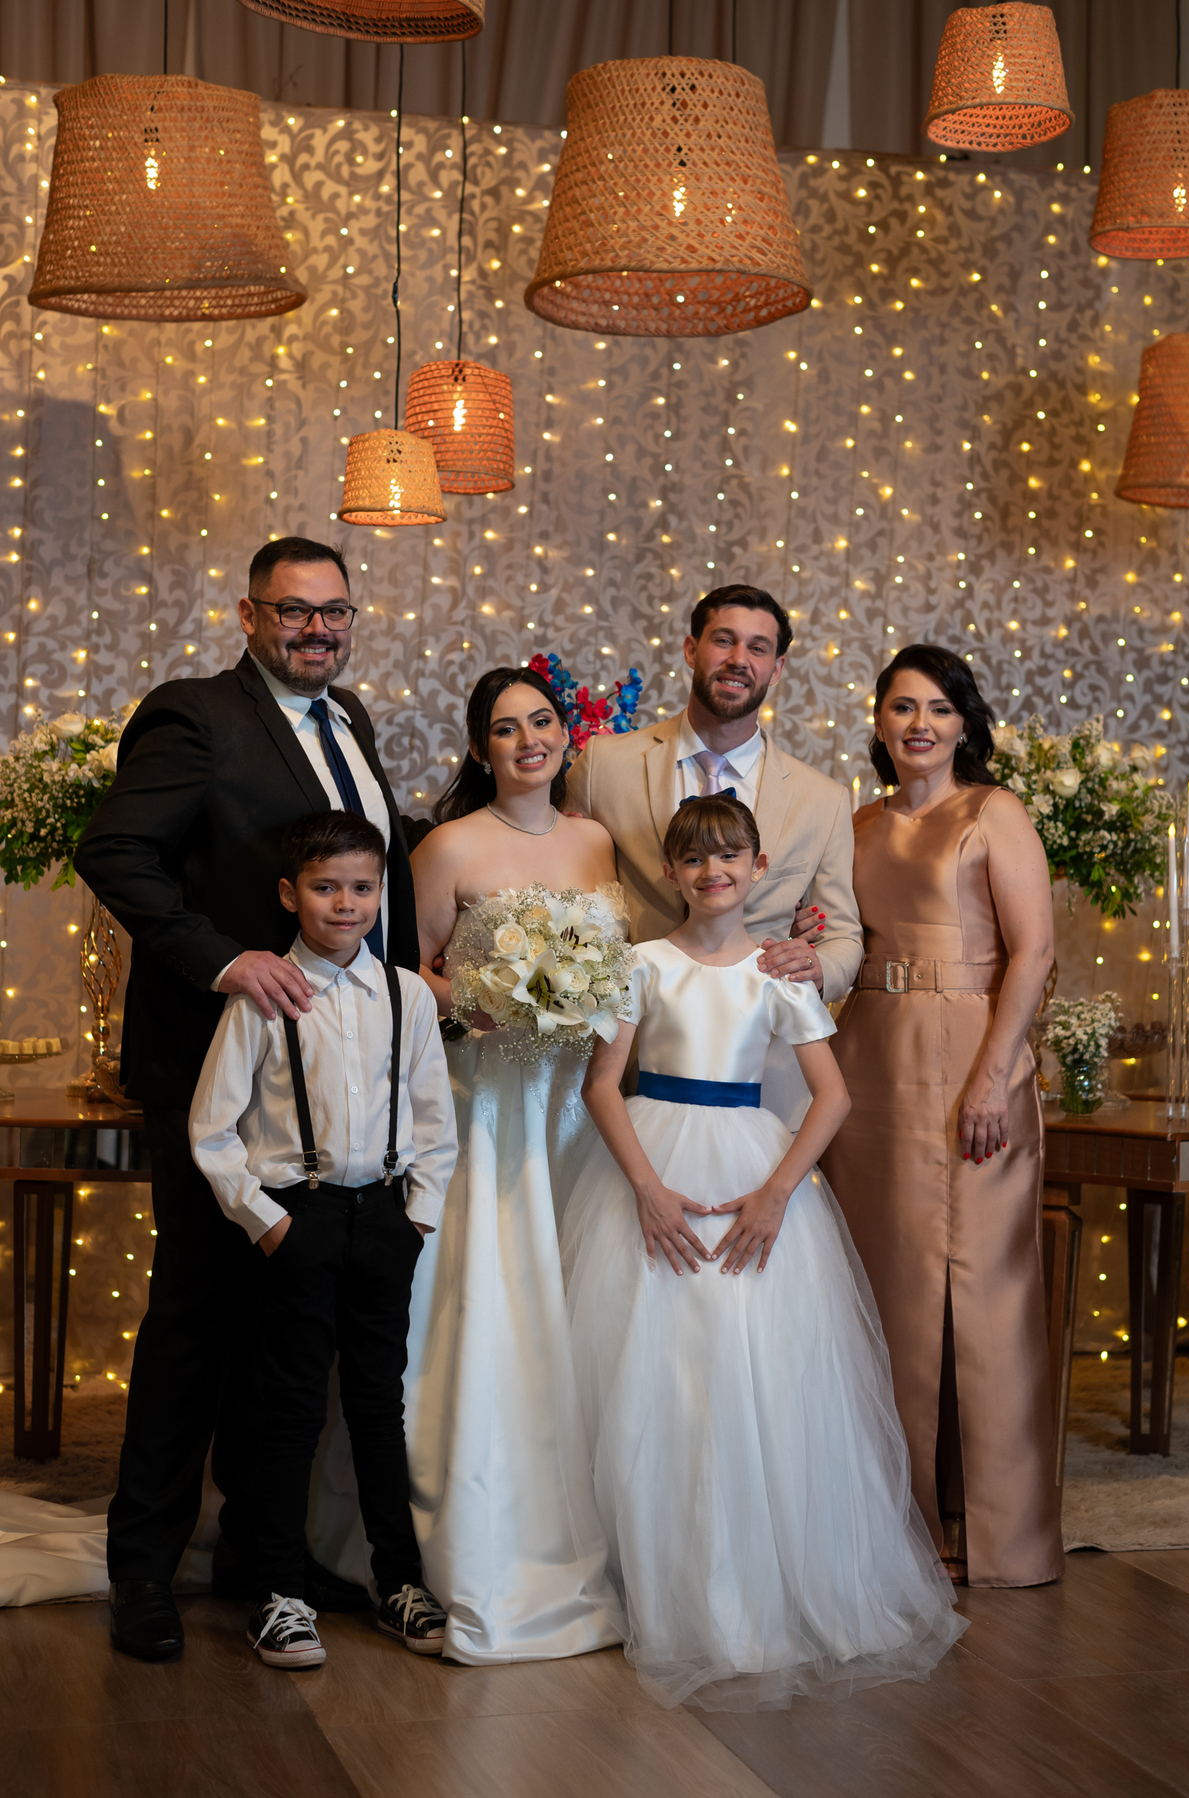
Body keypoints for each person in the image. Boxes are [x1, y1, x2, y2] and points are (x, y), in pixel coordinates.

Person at [74, 535, 425, 1661]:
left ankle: (257, 1552)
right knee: (196, 1317)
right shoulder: (197, 714)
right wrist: (223, 958)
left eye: (335, 612)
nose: (318, 629)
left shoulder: (350, 717)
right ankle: (144, 1569)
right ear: (249, 616)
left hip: (333, 1090)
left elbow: (374, 863)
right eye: (295, 611)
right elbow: (114, 849)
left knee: (287, 1335)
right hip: (214, 1067)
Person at [560, 796, 965, 1710]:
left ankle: (753, 1582)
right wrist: (646, 1188)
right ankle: (659, 1579)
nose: (712, 873)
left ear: (758, 866)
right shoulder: (640, 964)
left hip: (751, 1168)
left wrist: (779, 1192)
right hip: (658, 1163)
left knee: (755, 1365)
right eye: (694, 859)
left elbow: (832, 1096)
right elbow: (601, 1086)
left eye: (729, 857)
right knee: (658, 1366)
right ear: (671, 873)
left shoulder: (779, 972)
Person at [189, 811, 457, 1669]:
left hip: (384, 1219)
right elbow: (211, 1131)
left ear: (382, 893)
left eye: (362, 887)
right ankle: (277, 1591)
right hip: (294, 1220)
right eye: (326, 886)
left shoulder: (408, 995)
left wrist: (418, 1218)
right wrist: (268, 1225)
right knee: (291, 1410)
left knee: (379, 1407)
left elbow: (434, 1121)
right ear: (289, 893)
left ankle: (398, 1580)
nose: (346, 904)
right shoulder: (263, 995)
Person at [819, 644, 1062, 1588]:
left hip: (971, 1057)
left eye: (938, 708)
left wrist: (995, 1077)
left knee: (985, 1292)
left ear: (965, 724)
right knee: (884, 1287)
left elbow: (1033, 952)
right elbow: (840, 940)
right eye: (902, 707)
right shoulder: (855, 824)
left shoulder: (994, 812)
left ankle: (1003, 1537)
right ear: (878, 721)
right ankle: (898, 1531)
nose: (919, 724)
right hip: (870, 1058)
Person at [396, 665, 625, 1664]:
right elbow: (410, 976)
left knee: (582, 1297)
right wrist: (494, 1000)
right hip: (488, 1096)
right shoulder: (449, 846)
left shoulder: (597, 841)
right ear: (480, 747)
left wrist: (571, 999)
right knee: (488, 1296)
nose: (528, 740)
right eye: (505, 727)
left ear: (565, 736)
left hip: (579, 1107)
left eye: (541, 722)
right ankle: (478, 1522)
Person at [564, 584, 863, 1126]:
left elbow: (844, 933)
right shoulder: (603, 765)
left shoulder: (823, 799)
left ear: (776, 669)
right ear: (691, 649)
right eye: (723, 640)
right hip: (623, 1057)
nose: (738, 659)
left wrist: (820, 966)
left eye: (757, 648)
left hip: (759, 1071)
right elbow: (559, 875)